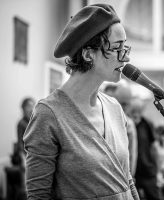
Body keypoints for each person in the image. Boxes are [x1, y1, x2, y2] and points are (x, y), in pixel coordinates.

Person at [23, 4, 139, 200]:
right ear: (88, 54)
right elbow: (38, 196)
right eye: (117, 47)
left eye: (125, 47)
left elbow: (126, 181)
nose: (126, 57)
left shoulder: (114, 108)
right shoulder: (49, 113)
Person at [130, 98, 162, 200]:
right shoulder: (126, 124)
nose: (136, 114)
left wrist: (158, 171)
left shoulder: (147, 124)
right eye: (133, 111)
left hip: (148, 171)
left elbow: (154, 149)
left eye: (138, 111)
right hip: (132, 173)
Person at [104, 82, 138, 176]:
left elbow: (132, 154)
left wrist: (131, 178)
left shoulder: (128, 123)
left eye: (125, 104)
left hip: (120, 176)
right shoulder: (101, 118)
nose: (125, 107)